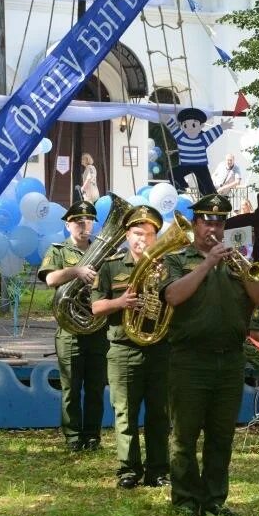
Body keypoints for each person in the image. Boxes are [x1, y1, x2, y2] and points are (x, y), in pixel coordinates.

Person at [160, 194, 259, 516]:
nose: (214, 229)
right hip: (190, 358)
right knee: (185, 433)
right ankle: (185, 498)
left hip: (231, 359)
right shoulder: (178, 259)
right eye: (207, 222)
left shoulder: (238, 262)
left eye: (220, 223)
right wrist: (207, 263)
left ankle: (213, 499)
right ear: (195, 225)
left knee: (221, 435)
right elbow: (172, 296)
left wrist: (243, 266)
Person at [90, 205, 170, 490]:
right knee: (125, 412)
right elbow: (96, 306)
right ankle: (128, 469)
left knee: (160, 413)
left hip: (160, 349)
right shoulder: (111, 266)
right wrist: (119, 303)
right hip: (123, 349)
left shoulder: (166, 266)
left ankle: (158, 470)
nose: (143, 240)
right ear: (127, 234)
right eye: (138, 234)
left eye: (149, 235)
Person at [37, 201, 109, 452]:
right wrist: (77, 271)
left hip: (97, 328)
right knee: (71, 387)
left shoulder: (104, 251)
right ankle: (72, 437)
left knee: (96, 387)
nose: (83, 225)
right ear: (68, 225)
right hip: (69, 330)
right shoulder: (57, 250)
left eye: (88, 220)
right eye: (78, 221)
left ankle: (92, 436)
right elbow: (50, 279)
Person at [165, 108, 231, 195]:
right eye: (185, 126)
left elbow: (212, 133)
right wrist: (165, 117)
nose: (190, 129)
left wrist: (222, 126)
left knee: (206, 185)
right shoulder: (182, 137)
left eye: (193, 125)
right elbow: (173, 127)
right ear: (182, 126)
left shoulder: (202, 138)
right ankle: (182, 187)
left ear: (201, 126)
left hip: (200, 165)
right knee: (172, 173)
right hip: (187, 164)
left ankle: (210, 196)